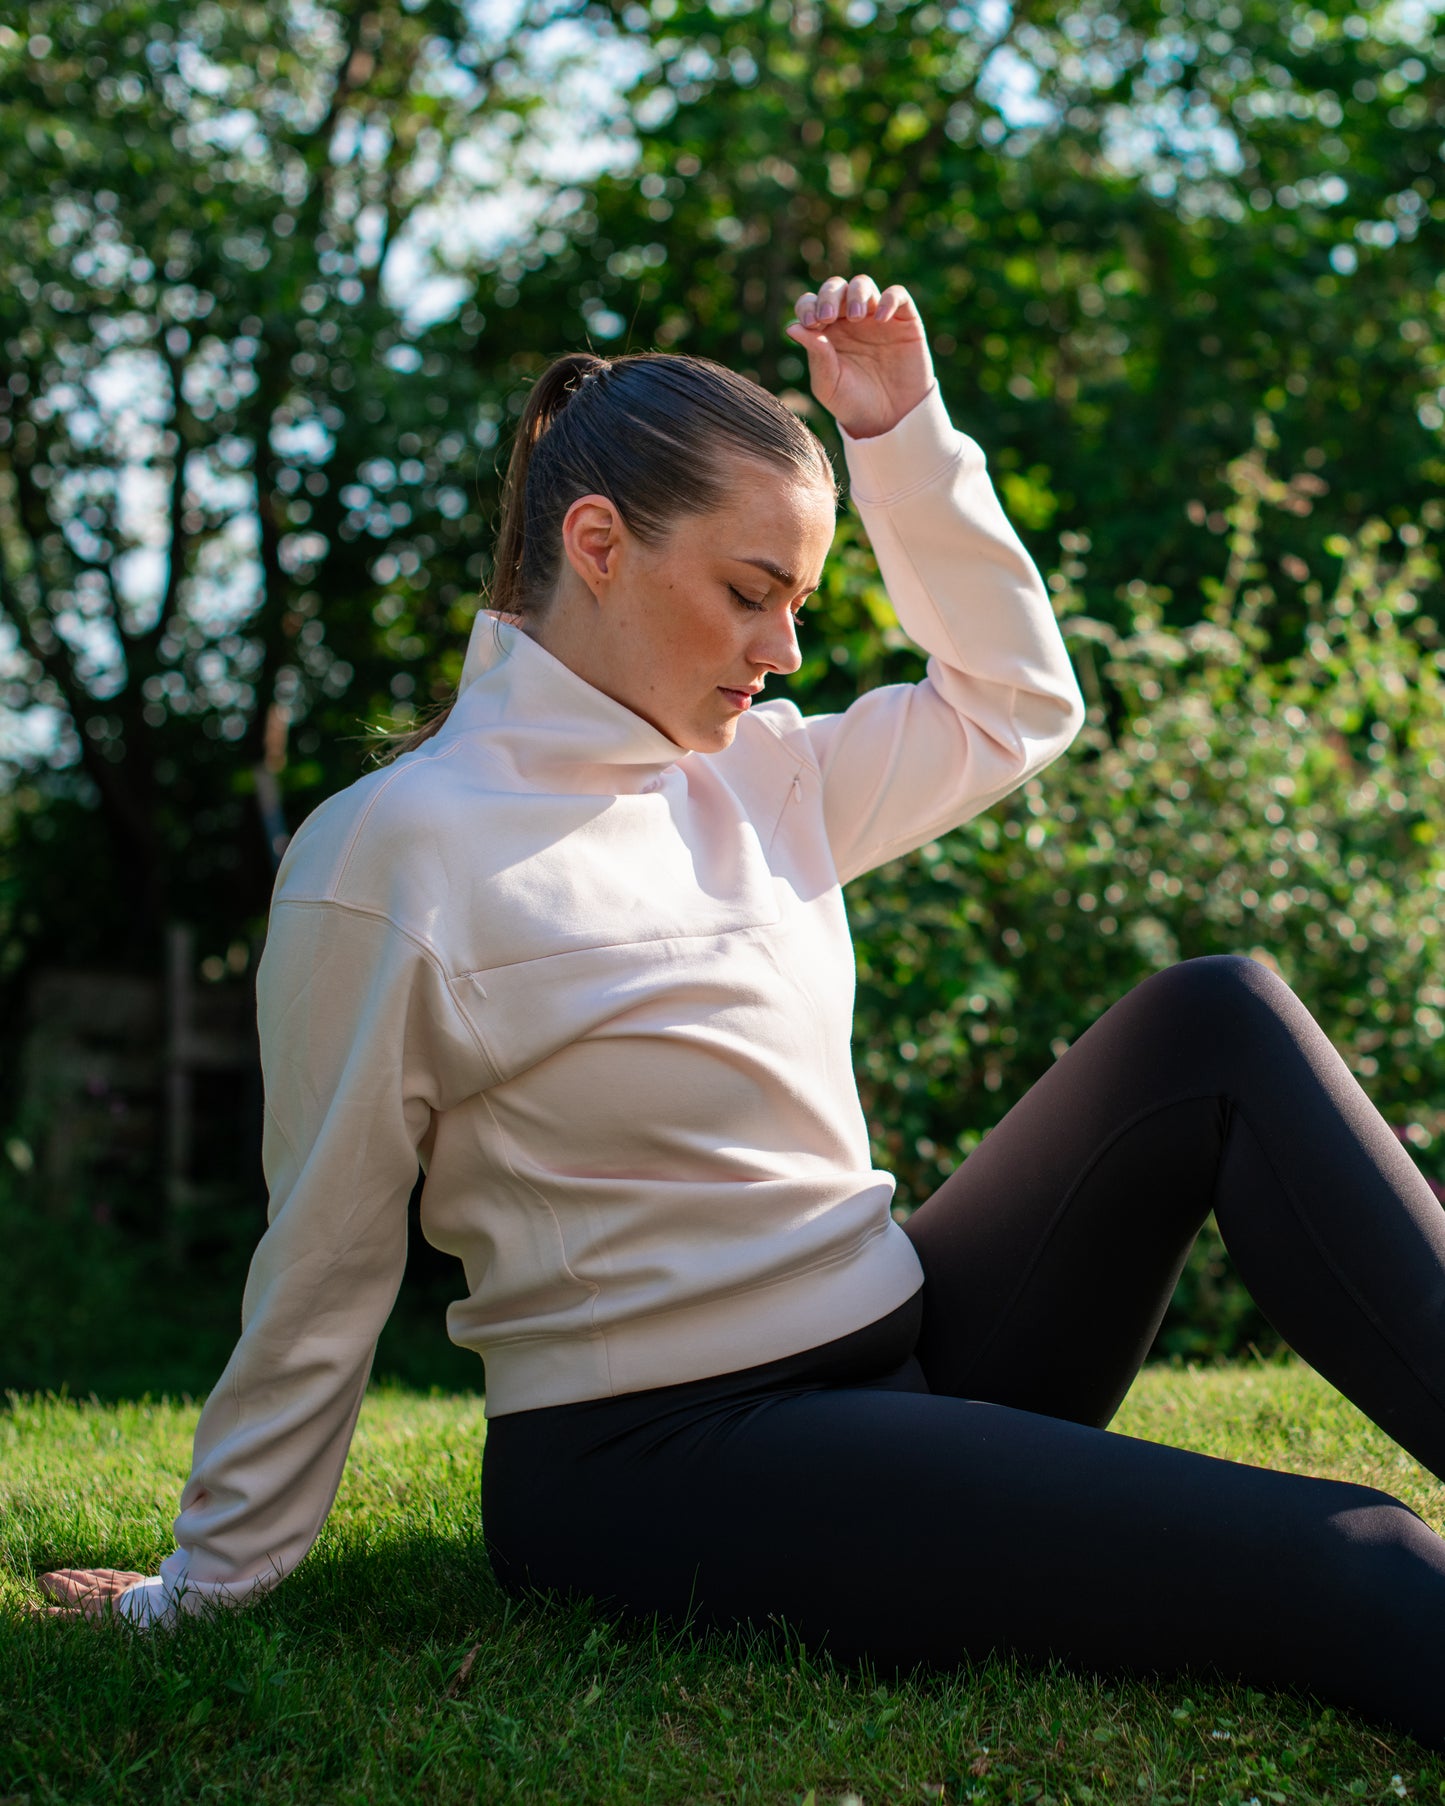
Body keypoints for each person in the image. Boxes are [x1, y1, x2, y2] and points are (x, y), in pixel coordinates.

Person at [34, 273, 1445, 1754]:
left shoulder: (754, 770)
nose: (783, 651)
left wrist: (898, 431)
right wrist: (207, 1576)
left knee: (1211, 1020)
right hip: (668, 1457)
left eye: (800, 601)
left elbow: (1015, 706)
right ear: (596, 547)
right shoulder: (396, 853)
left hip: (909, 1340)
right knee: (1350, 1553)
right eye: (748, 590)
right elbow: (322, 1251)